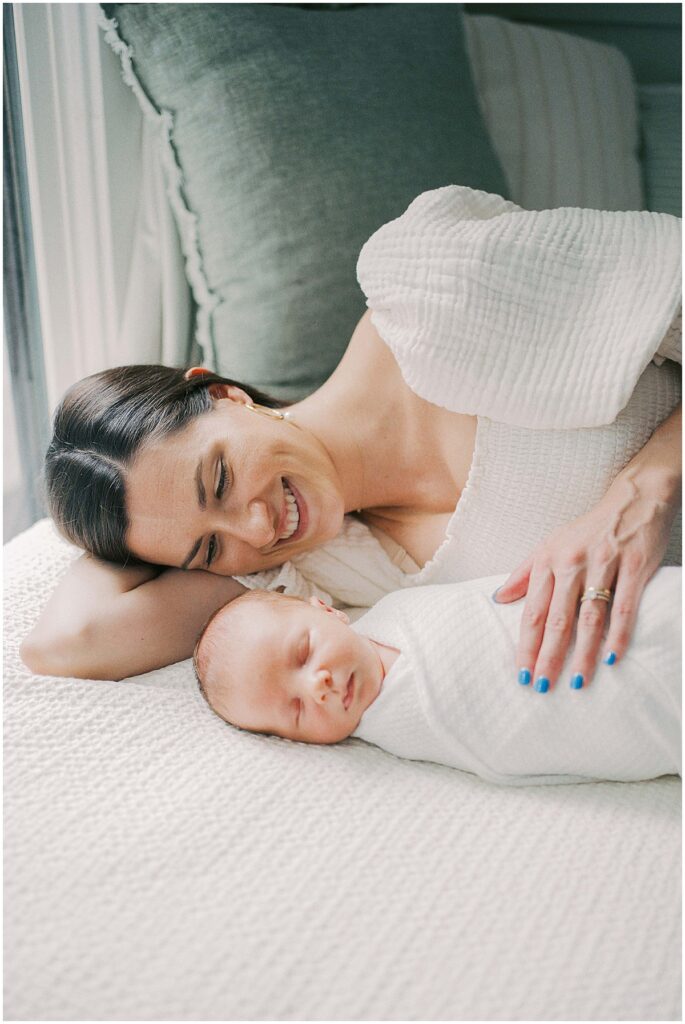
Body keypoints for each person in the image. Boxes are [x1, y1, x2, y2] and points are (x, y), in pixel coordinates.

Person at [20, 187, 682, 691]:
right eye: (208, 546)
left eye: (218, 478)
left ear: (222, 393)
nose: (255, 527)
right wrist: (125, 522)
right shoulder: (311, 571)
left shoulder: (427, 285)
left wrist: (646, 487)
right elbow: (67, 643)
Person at [192, 571, 681, 785]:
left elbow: (496, 594)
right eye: (295, 711)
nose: (315, 686)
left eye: (303, 652)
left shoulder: (401, 606)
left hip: (624, 614)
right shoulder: (399, 734)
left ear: (326, 611)